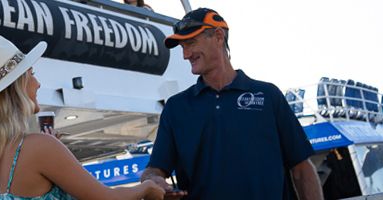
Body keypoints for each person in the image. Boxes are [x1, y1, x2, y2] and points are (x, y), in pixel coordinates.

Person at [139, 8, 324, 200]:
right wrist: (152, 181)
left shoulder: (268, 96)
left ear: (218, 36)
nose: (186, 54)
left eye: (191, 43)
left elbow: (302, 169)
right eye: (182, 47)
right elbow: (154, 170)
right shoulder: (176, 108)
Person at [0, 36, 165, 199]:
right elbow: (106, 197)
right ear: (17, 89)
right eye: (31, 74)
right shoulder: (39, 147)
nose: (37, 83)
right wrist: (146, 188)